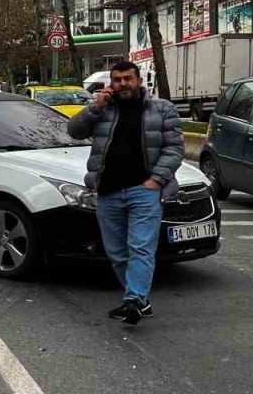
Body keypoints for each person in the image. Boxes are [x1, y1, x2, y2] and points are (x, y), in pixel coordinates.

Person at [67, 60, 183, 326]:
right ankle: (140, 300)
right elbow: (74, 131)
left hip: (144, 191)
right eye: (117, 80)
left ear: (139, 81)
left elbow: (174, 149)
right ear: (111, 83)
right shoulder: (103, 109)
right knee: (116, 252)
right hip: (108, 191)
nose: (122, 84)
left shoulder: (162, 109)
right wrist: (94, 108)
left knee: (141, 247)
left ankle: (134, 300)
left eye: (128, 79)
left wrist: (156, 180)